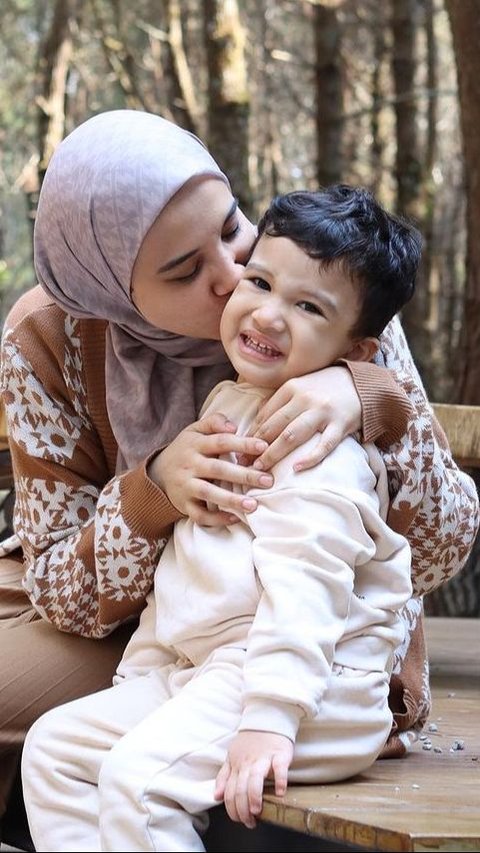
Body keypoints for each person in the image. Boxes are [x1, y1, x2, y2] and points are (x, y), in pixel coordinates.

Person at [0, 110, 477, 825]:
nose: (233, 280)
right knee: (58, 747)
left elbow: (440, 549)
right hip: (130, 621)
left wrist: (370, 398)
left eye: (230, 229)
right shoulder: (49, 331)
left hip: (284, 631)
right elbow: (61, 591)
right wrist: (153, 489)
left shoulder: (317, 280)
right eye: (184, 270)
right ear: (108, 286)